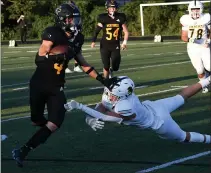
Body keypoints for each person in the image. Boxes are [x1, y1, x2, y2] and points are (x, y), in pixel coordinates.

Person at [12, 3, 115, 167]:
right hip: (39, 84)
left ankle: (23, 151)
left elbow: (82, 63)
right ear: (63, 19)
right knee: (37, 120)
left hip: (57, 87)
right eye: (73, 19)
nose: (76, 22)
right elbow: (39, 56)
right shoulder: (52, 33)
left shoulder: (78, 38)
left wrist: (103, 80)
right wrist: (54, 57)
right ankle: (38, 126)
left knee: (54, 123)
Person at [65, 75, 211, 144]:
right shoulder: (118, 93)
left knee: (183, 137)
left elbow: (106, 116)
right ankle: (206, 80)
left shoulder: (125, 106)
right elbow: (102, 106)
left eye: (112, 94)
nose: (109, 95)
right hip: (154, 106)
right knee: (180, 97)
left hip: (160, 122)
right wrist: (89, 118)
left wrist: (80, 106)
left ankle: (209, 140)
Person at [91, 0, 129, 78]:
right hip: (105, 45)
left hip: (115, 45)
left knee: (115, 67)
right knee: (106, 66)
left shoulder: (120, 17)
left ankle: (112, 70)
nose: (112, 9)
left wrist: (124, 43)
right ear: (107, 8)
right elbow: (97, 30)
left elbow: (126, 32)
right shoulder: (103, 18)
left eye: (114, 7)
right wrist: (93, 41)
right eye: (111, 7)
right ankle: (107, 84)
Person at [180, 0, 210, 93]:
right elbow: (183, 37)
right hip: (193, 48)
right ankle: (204, 85)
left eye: (197, 9)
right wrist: (192, 40)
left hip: (205, 46)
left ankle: (208, 75)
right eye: (193, 9)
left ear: (201, 9)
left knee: (209, 67)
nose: (195, 11)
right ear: (189, 10)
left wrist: (208, 41)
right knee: (200, 70)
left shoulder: (206, 18)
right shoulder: (185, 19)